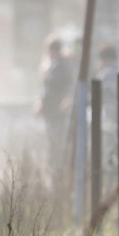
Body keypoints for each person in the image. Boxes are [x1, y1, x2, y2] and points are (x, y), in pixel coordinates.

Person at [38, 34, 74, 188]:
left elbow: (68, 86)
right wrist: (41, 103)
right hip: (50, 111)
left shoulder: (63, 66)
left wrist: (66, 100)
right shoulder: (50, 65)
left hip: (58, 112)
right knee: (51, 143)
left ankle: (59, 176)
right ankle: (54, 176)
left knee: (57, 142)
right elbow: (45, 89)